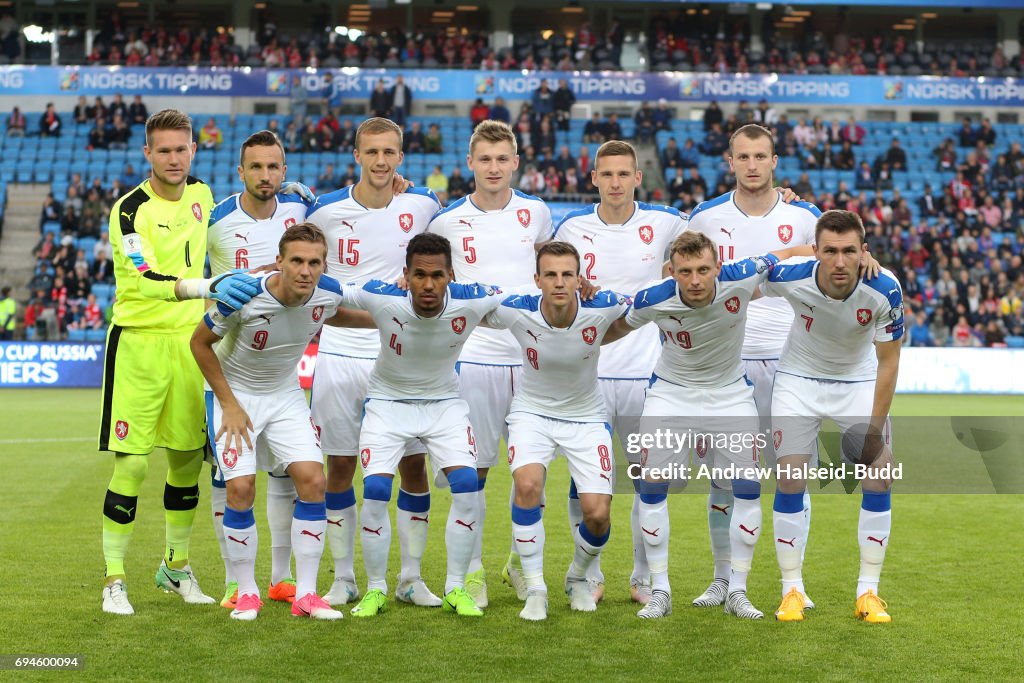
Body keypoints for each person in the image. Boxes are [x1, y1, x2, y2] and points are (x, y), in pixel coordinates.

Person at [98, 109, 261, 616]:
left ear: (194, 149)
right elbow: (145, 276)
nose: (174, 158)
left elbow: (243, 217)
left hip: (190, 344)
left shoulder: (203, 195)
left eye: (182, 148)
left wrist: (285, 193)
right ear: (147, 153)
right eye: (163, 150)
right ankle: (114, 578)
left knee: (188, 459)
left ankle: (176, 566)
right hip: (139, 344)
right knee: (133, 463)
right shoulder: (129, 211)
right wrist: (205, 287)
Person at [607, 232, 811, 619]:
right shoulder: (655, 297)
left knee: (748, 489)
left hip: (730, 394)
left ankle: (737, 589)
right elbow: (615, 328)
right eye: (686, 272)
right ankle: (660, 591)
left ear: (719, 266)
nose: (696, 279)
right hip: (670, 394)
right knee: (652, 488)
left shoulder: (743, 274)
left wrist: (854, 259)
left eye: (704, 269)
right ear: (672, 271)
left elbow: (790, 251)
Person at [191, 224, 373, 621]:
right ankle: (247, 593)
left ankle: (306, 595)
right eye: (296, 261)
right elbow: (199, 344)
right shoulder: (245, 296)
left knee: (313, 481)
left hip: (286, 396)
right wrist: (229, 403)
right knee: (240, 488)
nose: (305, 271)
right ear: (280, 261)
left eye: (314, 263)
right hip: (235, 397)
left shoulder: (326, 294)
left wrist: (388, 323)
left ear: (324, 265)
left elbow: (335, 315)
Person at [305, 117, 443, 608]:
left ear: (400, 158)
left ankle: (410, 577)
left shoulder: (424, 204)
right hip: (341, 352)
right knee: (339, 465)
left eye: (389, 153)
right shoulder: (323, 211)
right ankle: (344, 578)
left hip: (401, 356)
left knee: (413, 465)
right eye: (372, 153)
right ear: (356, 155)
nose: (381, 162)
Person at [685, 123, 821, 608]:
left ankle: (793, 584)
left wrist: (784, 253)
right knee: (725, 476)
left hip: (792, 363)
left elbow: (837, 252)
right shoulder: (706, 216)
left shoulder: (804, 215)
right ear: (730, 161)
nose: (752, 165)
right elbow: (681, 277)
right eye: (743, 157)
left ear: (775, 161)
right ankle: (724, 578)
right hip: (728, 364)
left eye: (760, 156)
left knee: (792, 473)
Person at [549, 140, 689, 604]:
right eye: (606, 174)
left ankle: (642, 575)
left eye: (623, 174)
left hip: (648, 371)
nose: (615, 182)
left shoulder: (667, 222)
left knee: (649, 478)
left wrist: (784, 199)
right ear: (593, 178)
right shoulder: (572, 226)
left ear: (636, 177)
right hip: (588, 372)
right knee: (584, 480)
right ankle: (587, 572)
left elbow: (714, 235)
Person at [340, 233, 505, 618]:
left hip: (444, 404)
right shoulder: (382, 295)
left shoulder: (474, 297)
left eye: (436, 275)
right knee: (378, 488)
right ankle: (377, 589)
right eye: (418, 275)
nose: (427, 284)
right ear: (405, 275)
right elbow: (327, 289)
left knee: (466, 485)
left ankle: (456, 587)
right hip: (387, 403)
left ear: (451, 275)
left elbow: (533, 294)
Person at [427, 119, 553, 607]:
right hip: (474, 357)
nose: (494, 168)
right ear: (470, 164)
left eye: (503, 159)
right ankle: (472, 571)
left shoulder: (537, 213)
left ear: (516, 162)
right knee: (473, 473)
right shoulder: (446, 222)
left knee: (532, 472)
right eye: (485, 159)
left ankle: (520, 566)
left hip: (530, 358)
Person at [764, 209, 903, 624]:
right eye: (829, 251)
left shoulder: (884, 288)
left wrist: (873, 433)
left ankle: (869, 592)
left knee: (879, 471)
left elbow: (889, 364)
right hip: (798, 380)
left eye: (848, 251)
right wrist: (789, 249)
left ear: (864, 252)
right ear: (816, 251)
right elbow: (748, 273)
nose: (839, 262)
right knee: (790, 476)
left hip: (857, 381)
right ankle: (792, 590)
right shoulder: (793, 275)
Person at [482, 242, 629, 620]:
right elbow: (463, 307)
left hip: (586, 416)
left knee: (598, 515)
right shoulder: (516, 310)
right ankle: (535, 588)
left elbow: (649, 305)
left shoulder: (604, 305)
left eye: (567, 274)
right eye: (551, 275)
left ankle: (577, 577)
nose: (559, 282)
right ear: (537, 279)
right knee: (528, 486)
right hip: (532, 413)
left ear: (580, 279)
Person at [205, 130, 313, 608]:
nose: (265, 176)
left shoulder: (300, 210)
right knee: (228, 478)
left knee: (287, 475)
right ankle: (234, 580)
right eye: (256, 167)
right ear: (240, 171)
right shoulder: (216, 220)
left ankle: (282, 577)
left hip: (280, 371)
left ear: (284, 171)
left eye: (274, 167)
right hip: (227, 360)